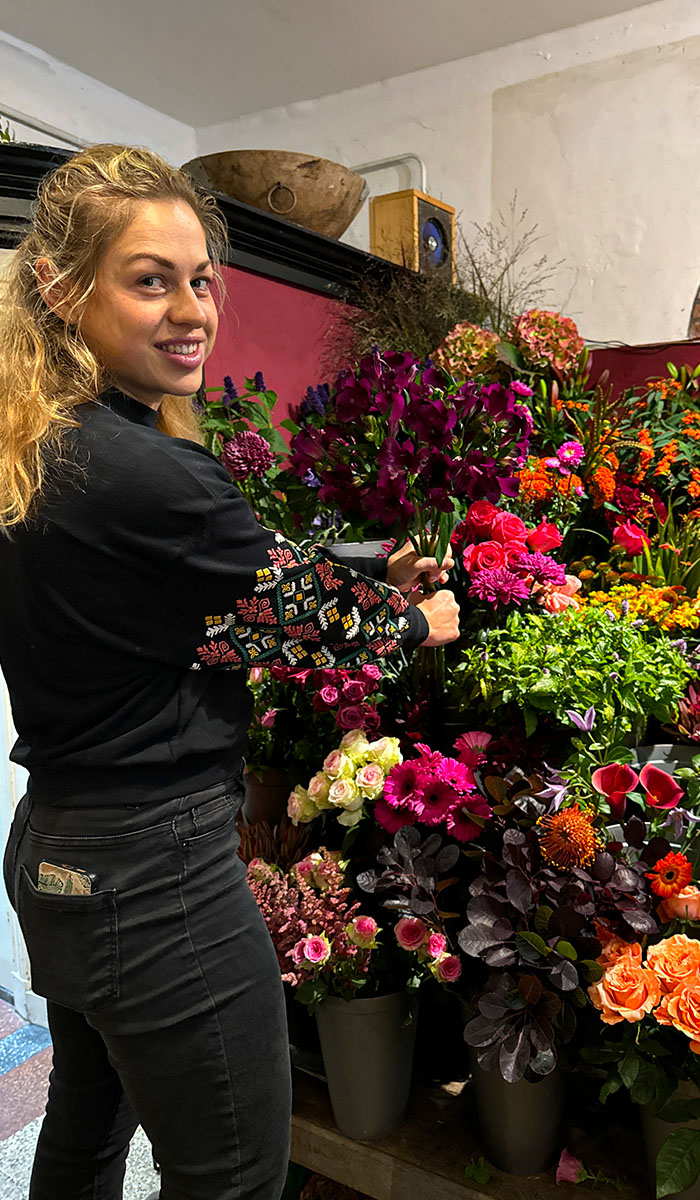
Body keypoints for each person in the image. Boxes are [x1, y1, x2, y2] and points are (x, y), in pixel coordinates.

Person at [0, 144, 460, 1200]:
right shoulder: (151, 471)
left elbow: (190, 607)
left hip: (62, 849)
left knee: (86, 1126)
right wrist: (411, 618)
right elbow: (299, 620)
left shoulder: (39, 449)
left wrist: (358, 580)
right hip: (157, 873)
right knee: (239, 1175)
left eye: (200, 278)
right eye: (150, 280)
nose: (191, 309)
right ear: (63, 290)